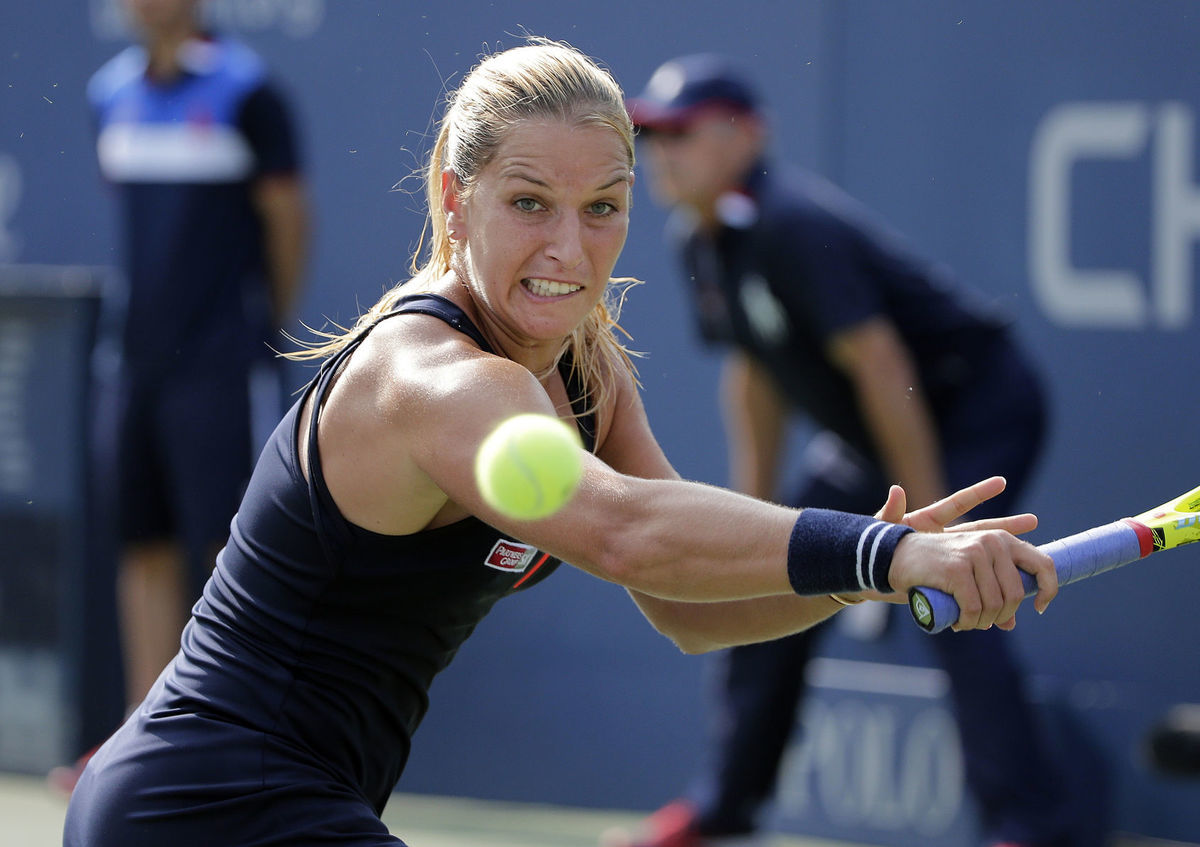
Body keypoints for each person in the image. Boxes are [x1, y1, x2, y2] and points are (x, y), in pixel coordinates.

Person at [63, 38, 1058, 847]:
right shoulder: (434, 379)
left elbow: (683, 605)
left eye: (604, 208)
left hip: (300, 805)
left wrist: (866, 579)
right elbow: (627, 532)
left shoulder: (586, 372)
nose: (569, 251)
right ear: (456, 201)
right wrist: (887, 549)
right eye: (529, 202)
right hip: (200, 807)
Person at [615, 54, 1077, 847]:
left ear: (744, 135)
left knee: (958, 588)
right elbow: (755, 373)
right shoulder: (702, 240)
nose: (663, 151)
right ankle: (725, 804)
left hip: (974, 407)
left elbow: (880, 362)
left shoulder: (792, 224)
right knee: (777, 575)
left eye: (682, 132)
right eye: (654, 135)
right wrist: (750, 520)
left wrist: (931, 523)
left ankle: (1029, 825)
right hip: (875, 429)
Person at [51, 0, 309, 792]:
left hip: (222, 361)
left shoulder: (248, 90)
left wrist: (258, 328)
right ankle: (141, 739)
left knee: (233, 545)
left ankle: (243, 739)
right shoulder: (109, 92)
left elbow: (288, 222)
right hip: (133, 363)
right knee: (145, 543)